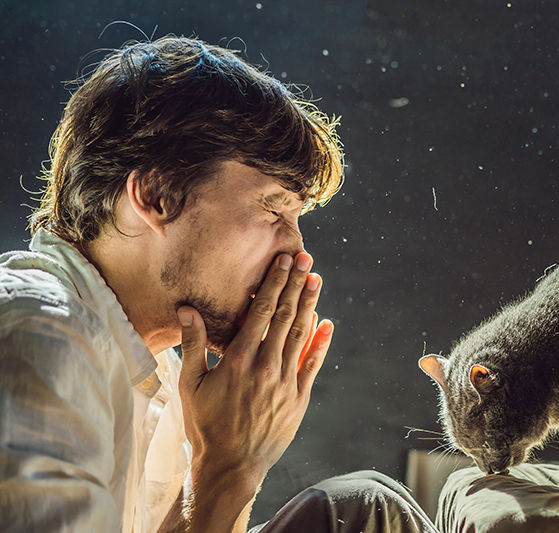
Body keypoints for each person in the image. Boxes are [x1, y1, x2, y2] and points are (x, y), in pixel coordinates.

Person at [0, 36, 438, 533]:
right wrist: (230, 470)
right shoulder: (36, 337)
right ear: (158, 195)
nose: (296, 251)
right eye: (273, 208)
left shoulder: (165, 370)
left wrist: (226, 463)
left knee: (361, 510)